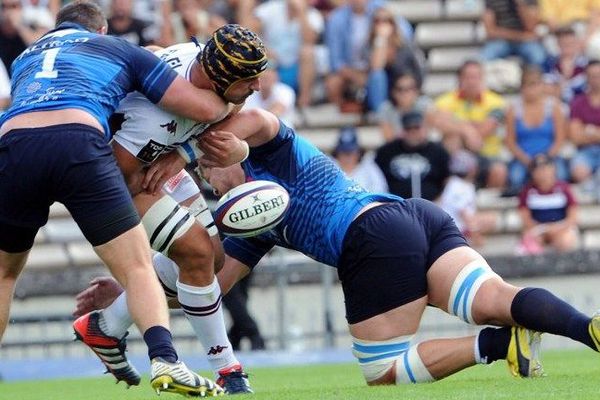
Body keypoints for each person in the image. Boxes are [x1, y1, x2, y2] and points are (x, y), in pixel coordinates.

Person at [76, 107, 600, 388]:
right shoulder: (249, 222)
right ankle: (588, 329)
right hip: (414, 219)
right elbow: (208, 284)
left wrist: (207, 145)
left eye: (209, 168)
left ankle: (496, 347)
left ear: (219, 149)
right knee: (496, 300)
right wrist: (132, 289)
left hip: (369, 238)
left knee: (381, 370)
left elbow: (258, 120)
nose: (210, 181)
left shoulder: (270, 153)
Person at [0, 1, 236, 396]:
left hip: (13, 144)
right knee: (138, 267)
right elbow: (204, 106)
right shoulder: (116, 48)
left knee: (4, 275)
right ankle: (166, 360)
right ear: (101, 30)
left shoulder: (26, 56)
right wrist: (234, 95)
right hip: (77, 139)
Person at [73, 25, 267, 394]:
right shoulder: (151, 118)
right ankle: (228, 369)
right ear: (219, 77)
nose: (256, 87)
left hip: (159, 156)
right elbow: (119, 176)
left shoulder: (208, 69)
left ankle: (107, 326)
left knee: (213, 260)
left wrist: (184, 153)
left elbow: (230, 108)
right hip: (124, 175)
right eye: (249, 80)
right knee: (194, 252)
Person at [435, 60, 508, 189]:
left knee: (499, 170)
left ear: (482, 79)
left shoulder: (496, 102)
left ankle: (487, 202)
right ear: (459, 79)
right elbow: (441, 124)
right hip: (458, 154)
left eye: (475, 77)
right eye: (467, 77)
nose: (472, 81)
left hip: (485, 154)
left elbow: (485, 130)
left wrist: (459, 126)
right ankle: (456, 191)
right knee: (452, 139)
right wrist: (467, 130)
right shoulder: (445, 100)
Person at [505, 65, 568, 192]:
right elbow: (510, 142)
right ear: (522, 88)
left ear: (542, 86)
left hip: (550, 156)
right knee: (515, 178)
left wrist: (545, 159)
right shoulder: (513, 110)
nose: (532, 90)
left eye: (535, 85)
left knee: (561, 175)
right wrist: (527, 160)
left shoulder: (554, 107)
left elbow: (560, 139)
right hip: (524, 158)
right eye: (528, 85)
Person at [375, 111, 450, 201]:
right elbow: (376, 179)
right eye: (408, 128)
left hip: (432, 206)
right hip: (395, 207)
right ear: (402, 130)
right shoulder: (386, 152)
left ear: (425, 129)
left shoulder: (438, 152)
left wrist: (439, 201)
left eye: (417, 128)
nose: (413, 132)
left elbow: (448, 179)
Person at [517, 154, 579, 255]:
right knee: (529, 241)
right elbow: (525, 217)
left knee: (565, 241)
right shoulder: (527, 191)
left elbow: (573, 216)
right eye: (538, 169)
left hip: (561, 227)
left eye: (545, 168)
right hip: (537, 228)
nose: (543, 172)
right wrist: (543, 229)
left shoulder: (564, 188)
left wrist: (557, 228)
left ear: (553, 169)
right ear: (532, 173)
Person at [366, 6, 423, 112]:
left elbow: (416, 73)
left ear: (393, 24)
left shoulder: (404, 47)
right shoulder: (369, 46)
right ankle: (381, 114)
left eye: (386, 21)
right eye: (377, 21)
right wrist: (381, 40)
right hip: (381, 95)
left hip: (404, 90)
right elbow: (376, 67)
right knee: (377, 76)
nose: (381, 25)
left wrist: (402, 91)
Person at [438, 149, 498, 247]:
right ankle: (463, 240)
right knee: (490, 219)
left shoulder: (456, 184)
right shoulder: (459, 186)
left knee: (490, 218)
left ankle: (465, 238)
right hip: (454, 227)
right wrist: (476, 236)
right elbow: (464, 214)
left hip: (457, 224)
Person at [481, 0, 546, 67]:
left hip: (525, 43)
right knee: (484, 58)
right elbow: (490, 31)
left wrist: (521, 5)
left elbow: (531, 27)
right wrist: (520, 36)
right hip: (501, 41)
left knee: (538, 57)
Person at [569, 60, 600, 187]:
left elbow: (581, 134)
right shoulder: (578, 103)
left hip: (587, 147)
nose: (596, 79)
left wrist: (589, 131)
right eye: (593, 76)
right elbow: (576, 137)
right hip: (585, 152)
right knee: (579, 171)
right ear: (586, 78)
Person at [377, 73, 434, 142]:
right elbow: (388, 138)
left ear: (417, 91)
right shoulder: (385, 108)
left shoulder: (426, 105)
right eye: (400, 89)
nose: (404, 93)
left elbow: (426, 134)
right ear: (393, 92)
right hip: (397, 149)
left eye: (409, 88)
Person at [332, 126, 388, 193]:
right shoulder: (329, 168)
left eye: (351, 152)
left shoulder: (369, 167)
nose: (348, 156)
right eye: (344, 152)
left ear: (359, 152)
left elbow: (381, 190)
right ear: (337, 152)